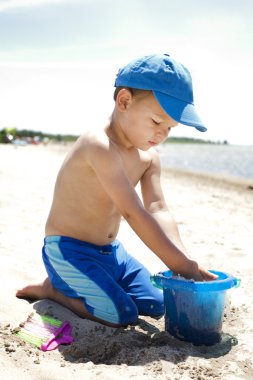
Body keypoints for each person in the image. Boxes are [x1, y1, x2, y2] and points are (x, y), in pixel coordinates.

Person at [16, 54, 217, 327]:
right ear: (124, 101)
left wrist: (184, 262)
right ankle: (52, 289)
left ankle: (101, 284)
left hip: (112, 253)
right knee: (120, 315)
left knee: (158, 304)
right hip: (69, 251)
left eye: (170, 127)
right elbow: (132, 211)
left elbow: (158, 209)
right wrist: (182, 266)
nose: (162, 134)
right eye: (157, 122)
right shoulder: (99, 146)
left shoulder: (148, 158)